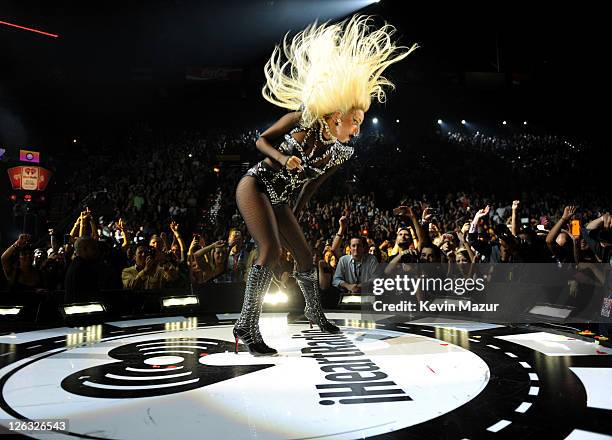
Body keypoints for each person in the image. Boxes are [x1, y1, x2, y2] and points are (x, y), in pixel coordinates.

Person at [233, 15, 416, 355]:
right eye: (356, 121)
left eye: (360, 123)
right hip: (255, 184)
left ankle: (315, 313)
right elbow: (261, 141)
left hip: (281, 198)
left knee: (305, 255)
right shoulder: (303, 118)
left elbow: (312, 186)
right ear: (338, 116)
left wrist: (296, 217)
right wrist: (283, 158)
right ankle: (247, 325)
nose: (357, 129)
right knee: (270, 250)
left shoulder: (340, 152)